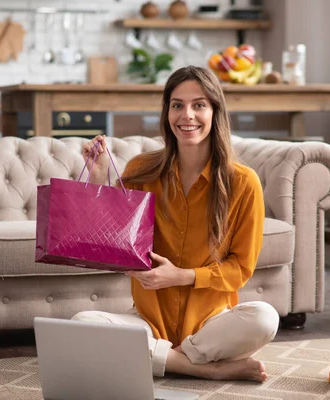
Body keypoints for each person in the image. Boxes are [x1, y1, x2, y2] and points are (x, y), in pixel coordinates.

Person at [72, 66, 279, 383]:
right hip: (147, 320)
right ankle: (203, 368)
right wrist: (99, 179)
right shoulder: (142, 170)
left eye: (199, 105)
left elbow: (241, 268)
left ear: (214, 111)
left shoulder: (243, 183)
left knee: (265, 318)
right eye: (177, 105)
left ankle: (163, 358)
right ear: (167, 112)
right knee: (81, 324)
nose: (188, 115)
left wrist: (182, 276)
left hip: (212, 325)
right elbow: (113, 244)